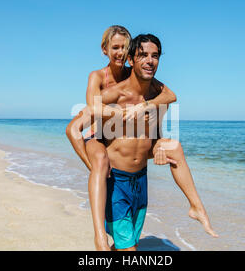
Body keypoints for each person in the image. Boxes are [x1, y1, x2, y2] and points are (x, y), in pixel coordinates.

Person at [67, 34, 217, 251]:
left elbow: (171, 96)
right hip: (116, 182)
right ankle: (99, 238)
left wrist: (148, 123)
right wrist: (94, 168)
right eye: (143, 55)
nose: (150, 60)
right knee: (130, 250)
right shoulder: (112, 95)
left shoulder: (156, 92)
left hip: (141, 180)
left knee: (174, 147)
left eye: (155, 56)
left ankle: (196, 207)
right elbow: (75, 126)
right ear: (131, 60)